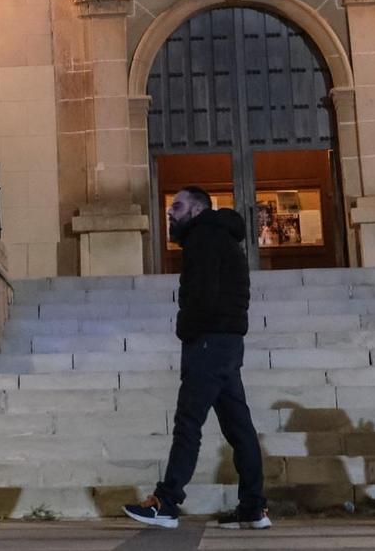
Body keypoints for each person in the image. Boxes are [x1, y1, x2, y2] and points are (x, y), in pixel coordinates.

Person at [123, 187, 268, 530]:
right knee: (239, 427)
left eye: (177, 206)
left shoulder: (204, 238)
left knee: (189, 423)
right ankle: (253, 507)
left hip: (209, 342)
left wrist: (186, 330)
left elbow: (203, 296)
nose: (169, 213)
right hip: (229, 343)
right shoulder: (223, 239)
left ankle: (166, 502)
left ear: (198, 209)